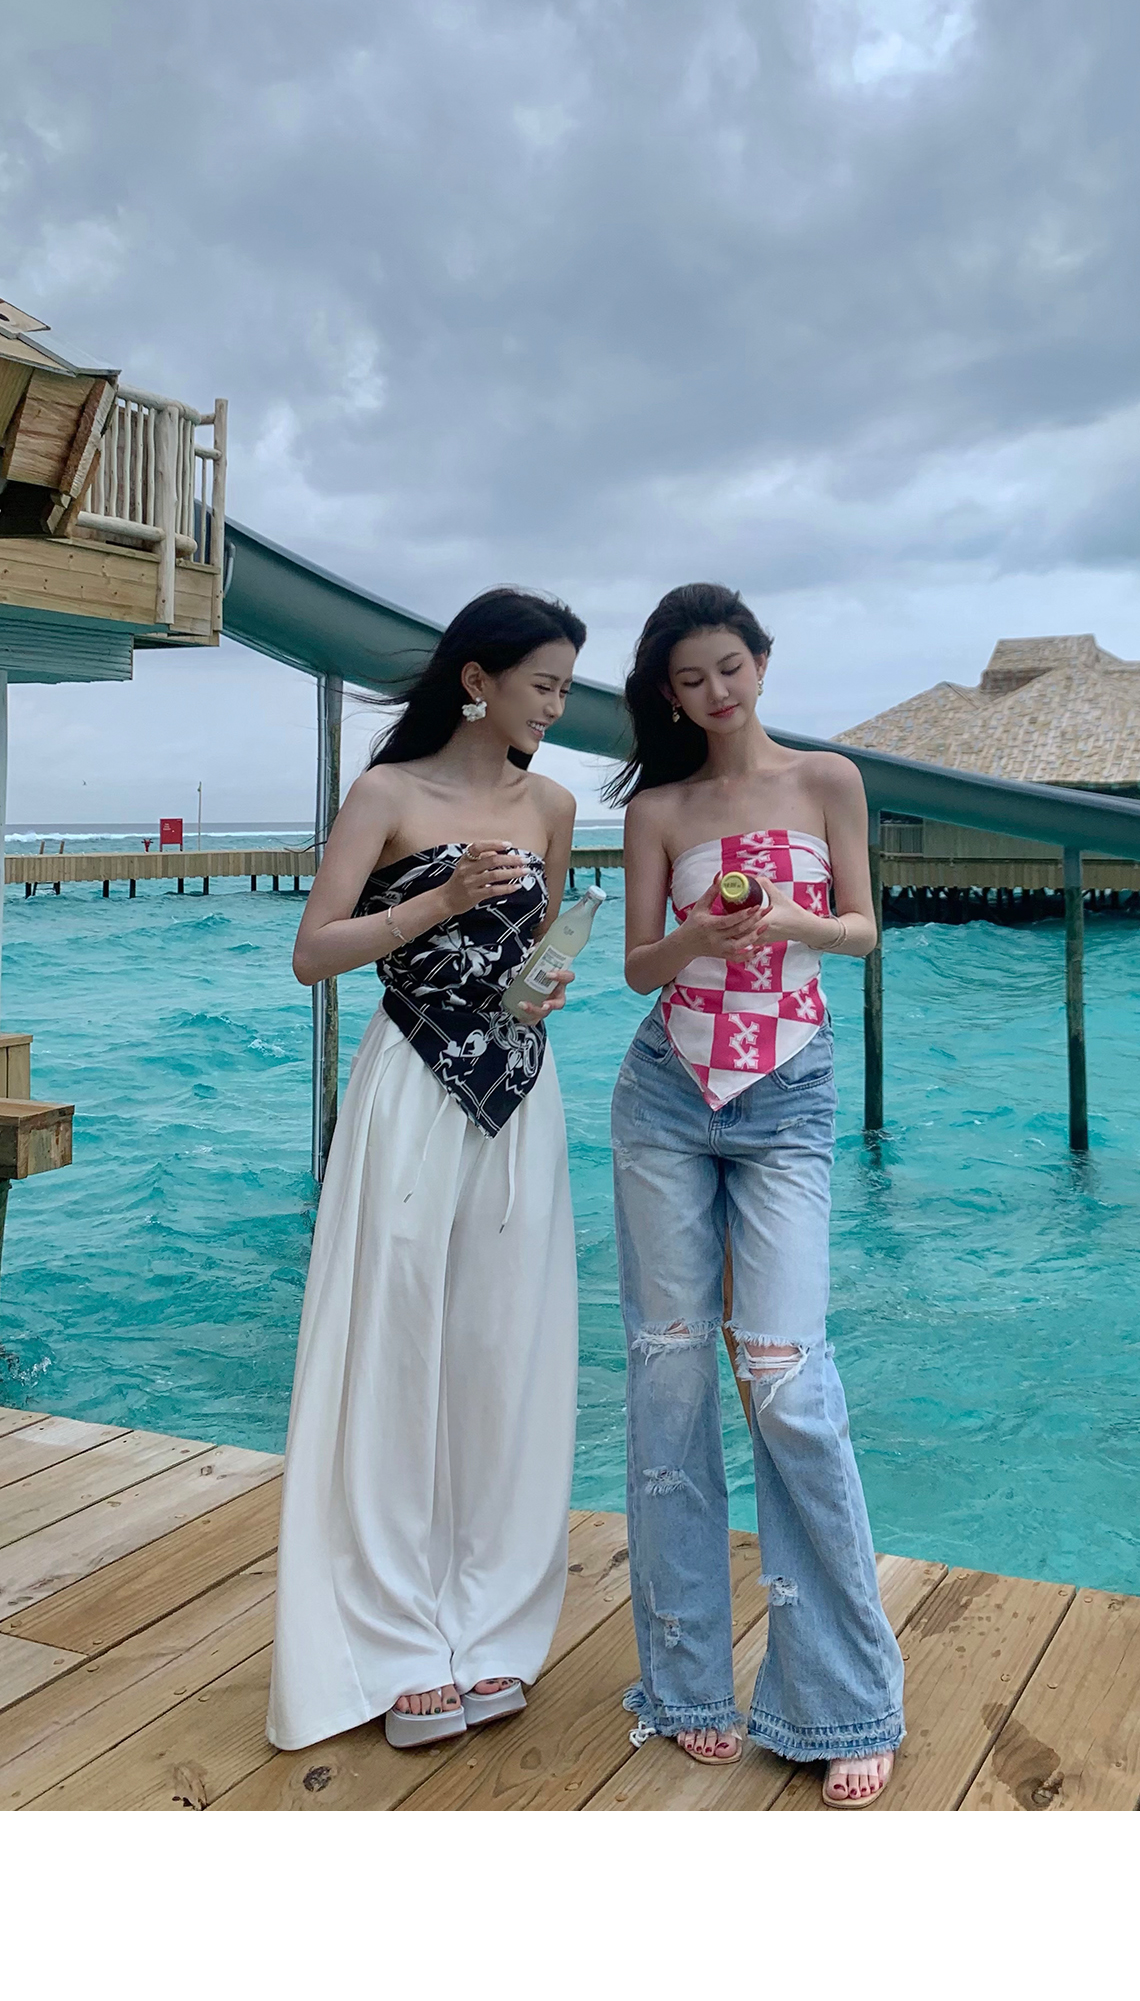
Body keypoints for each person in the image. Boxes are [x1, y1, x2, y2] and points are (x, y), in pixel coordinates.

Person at [266, 588, 585, 1753]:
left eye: (564, 688)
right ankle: (395, 1640)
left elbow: (538, 953)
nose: (557, 707)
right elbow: (314, 953)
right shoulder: (388, 795)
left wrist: (547, 983)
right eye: (544, 684)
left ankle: (489, 1621)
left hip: (521, 1095)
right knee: (396, 1347)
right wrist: (441, 900)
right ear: (478, 681)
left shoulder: (552, 806)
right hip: (408, 1083)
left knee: (503, 1352)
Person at [607, 582, 905, 1808]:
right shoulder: (659, 810)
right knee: (670, 1373)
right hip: (667, 1093)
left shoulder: (828, 780)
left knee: (785, 1378)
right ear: (669, 696)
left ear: (763, 664)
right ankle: (685, 1686)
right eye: (690, 679)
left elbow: (865, 928)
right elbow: (639, 967)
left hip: (787, 1093)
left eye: (729, 667)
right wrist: (698, 940)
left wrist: (789, 920)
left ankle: (844, 1699)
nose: (715, 691)